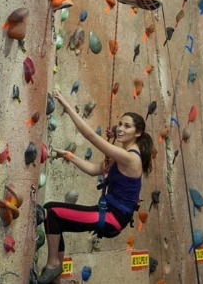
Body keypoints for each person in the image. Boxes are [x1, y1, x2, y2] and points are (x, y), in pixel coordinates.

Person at [36, 92, 153, 284]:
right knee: (57, 221)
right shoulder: (123, 155)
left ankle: (52, 266)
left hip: (112, 217)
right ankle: (55, 275)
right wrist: (69, 156)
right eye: (120, 124)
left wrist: (65, 103)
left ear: (138, 133)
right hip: (110, 214)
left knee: (53, 212)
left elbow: (89, 135)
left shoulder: (131, 157)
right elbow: (94, 170)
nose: (120, 129)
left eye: (127, 126)